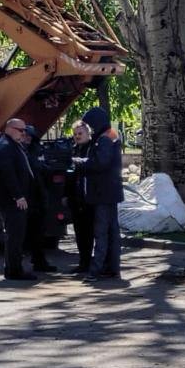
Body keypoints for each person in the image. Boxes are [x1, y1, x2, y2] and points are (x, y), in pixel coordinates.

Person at [74, 106, 123, 280]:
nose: (90, 128)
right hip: (111, 192)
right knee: (111, 232)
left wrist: (80, 162)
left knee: (101, 232)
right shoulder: (111, 134)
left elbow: (100, 163)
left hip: (103, 192)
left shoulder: (103, 139)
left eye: (90, 125)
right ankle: (112, 267)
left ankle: (96, 271)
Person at [0, 117, 37, 280]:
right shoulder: (4, 147)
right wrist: (18, 196)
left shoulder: (12, 145)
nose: (24, 133)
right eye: (21, 130)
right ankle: (14, 270)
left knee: (16, 234)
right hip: (10, 200)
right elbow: (8, 175)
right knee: (14, 235)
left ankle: (12, 267)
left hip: (14, 199)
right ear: (10, 129)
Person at [20, 124, 56, 273]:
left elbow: (47, 169)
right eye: (25, 135)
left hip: (38, 196)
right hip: (25, 197)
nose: (27, 138)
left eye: (30, 136)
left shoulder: (37, 150)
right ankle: (18, 263)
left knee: (38, 231)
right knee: (21, 233)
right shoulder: (19, 151)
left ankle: (39, 260)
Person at [67, 118, 95, 274]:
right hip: (76, 198)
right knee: (80, 233)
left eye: (80, 133)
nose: (77, 136)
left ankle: (91, 262)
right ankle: (83, 262)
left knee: (90, 232)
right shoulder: (74, 149)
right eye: (75, 134)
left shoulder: (92, 148)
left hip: (89, 197)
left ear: (88, 132)